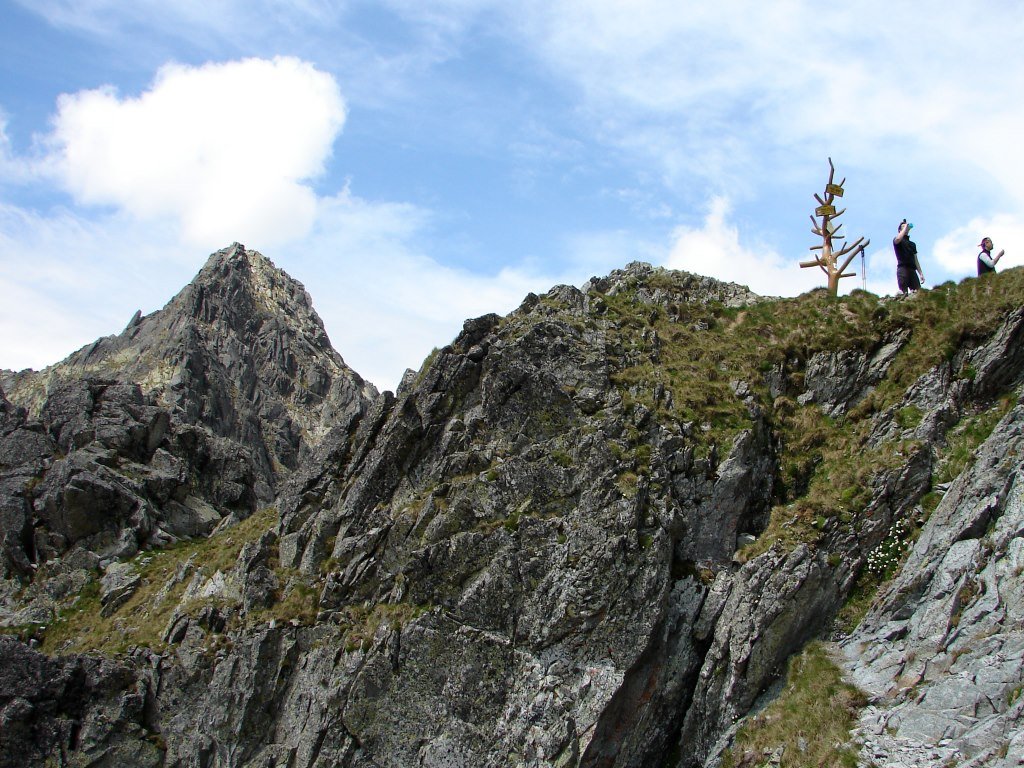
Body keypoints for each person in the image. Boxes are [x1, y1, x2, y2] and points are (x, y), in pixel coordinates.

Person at [893, 219, 925, 294]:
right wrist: (904, 228)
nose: (906, 227)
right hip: (902, 269)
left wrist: (921, 273)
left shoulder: (912, 244)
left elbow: (915, 260)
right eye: (903, 227)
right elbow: (897, 239)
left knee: (918, 293)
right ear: (900, 230)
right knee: (903, 293)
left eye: (906, 226)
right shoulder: (898, 240)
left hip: (912, 270)